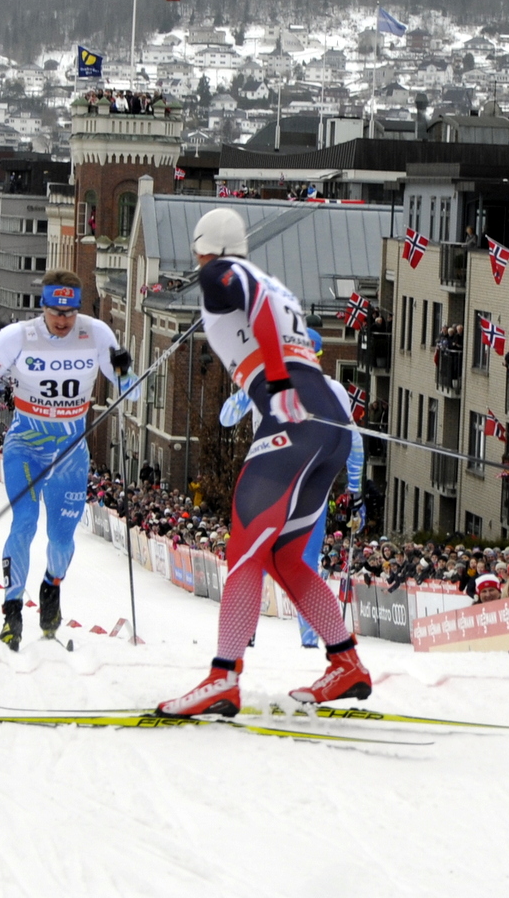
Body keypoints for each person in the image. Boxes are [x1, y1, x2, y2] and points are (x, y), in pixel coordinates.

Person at [158, 207, 370, 717]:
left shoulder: (219, 272)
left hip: (291, 420)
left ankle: (222, 677)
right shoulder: (267, 282)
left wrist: (274, 380)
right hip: (328, 428)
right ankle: (346, 664)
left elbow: (252, 306)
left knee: (246, 548)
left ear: (202, 247)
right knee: (284, 558)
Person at [0, 268, 138, 651]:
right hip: (25, 442)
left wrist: (125, 369)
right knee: (24, 521)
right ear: (42, 306)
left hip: (70, 450)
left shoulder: (96, 334)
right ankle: (12, 610)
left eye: (69, 312)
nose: (62, 320)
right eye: (55, 312)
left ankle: (51, 588)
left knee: (61, 538)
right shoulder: (17, 337)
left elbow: (131, 392)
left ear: (78, 309)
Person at [218, 327, 364, 648]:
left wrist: (356, 491)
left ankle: (310, 643)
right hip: (269, 483)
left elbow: (354, 441)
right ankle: (245, 636)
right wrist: (242, 394)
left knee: (302, 562)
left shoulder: (333, 391)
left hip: (307, 486)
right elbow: (226, 418)